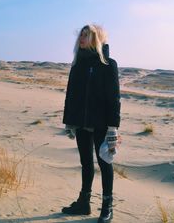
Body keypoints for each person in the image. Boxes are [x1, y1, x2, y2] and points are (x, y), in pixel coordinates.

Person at [61, 24, 121, 223]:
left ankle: (107, 206)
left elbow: (114, 99)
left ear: (96, 38)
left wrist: (113, 127)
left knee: (105, 163)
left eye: (86, 35)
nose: (82, 38)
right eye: (81, 34)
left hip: (102, 124)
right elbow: (71, 95)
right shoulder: (77, 64)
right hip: (80, 123)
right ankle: (83, 203)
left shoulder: (108, 64)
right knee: (86, 163)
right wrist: (69, 121)